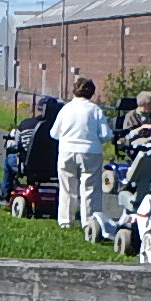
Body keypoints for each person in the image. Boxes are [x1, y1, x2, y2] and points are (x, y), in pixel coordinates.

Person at [49, 77, 113, 230]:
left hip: (67, 150)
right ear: (92, 93)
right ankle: (89, 222)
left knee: (67, 187)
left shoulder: (66, 109)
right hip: (90, 151)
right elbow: (105, 135)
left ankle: (66, 221)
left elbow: (54, 133)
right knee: (90, 189)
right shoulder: (95, 110)